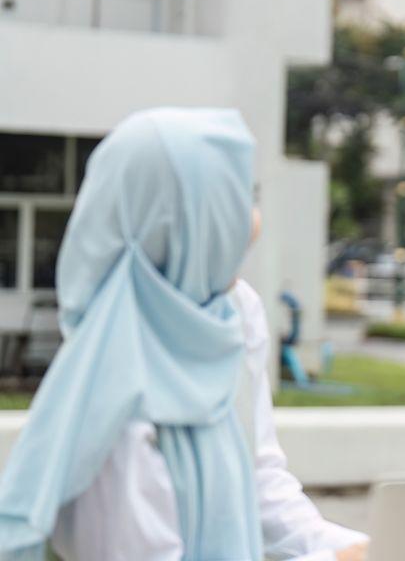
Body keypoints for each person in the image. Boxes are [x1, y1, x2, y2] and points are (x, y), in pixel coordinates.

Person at [0, 108, 367, 560]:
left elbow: (257, 476)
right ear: (181, 227)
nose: (252, 226)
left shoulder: (231, 315)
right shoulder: (114, 399)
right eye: (231, 202)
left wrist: (344, 546)